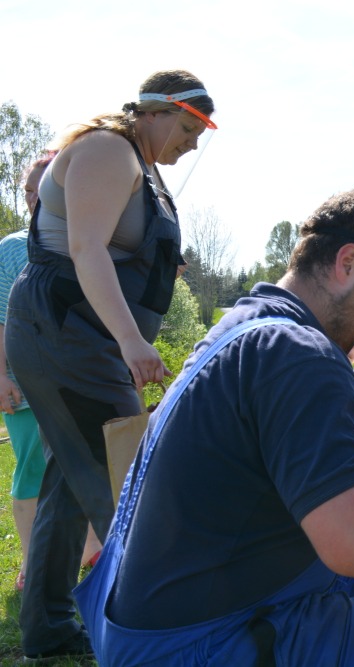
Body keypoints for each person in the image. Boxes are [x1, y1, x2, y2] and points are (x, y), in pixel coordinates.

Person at [74, 183, 354, 667]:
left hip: (137, 630)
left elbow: (315, 454)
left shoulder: (247, 327)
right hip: (200, 643)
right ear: (347, 262)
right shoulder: (301, 353)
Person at [5, 70, 215, 660]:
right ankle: (151, 634)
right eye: (188, 126)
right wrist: (129, 340)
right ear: (155, 110)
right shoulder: (106, 149)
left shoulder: (143, 170)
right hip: (65, 334)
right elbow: (85, 248)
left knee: (67, 487)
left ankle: (47, 630)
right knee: (130, 480)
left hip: (76, 339)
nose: (193, 142)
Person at [1, 154, 103, 594]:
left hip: (76, 378)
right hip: (22, 380)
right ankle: (32, 561)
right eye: (28, 190)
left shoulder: (86, 241)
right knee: (33, 468)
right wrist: (2, 376)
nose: (34, 198)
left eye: (43, 189)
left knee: (83, 464)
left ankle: (89, 550)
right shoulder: (10, 249)